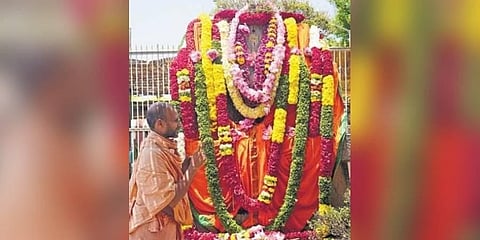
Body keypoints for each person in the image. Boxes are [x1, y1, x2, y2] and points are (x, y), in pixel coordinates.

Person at [129, 102, 205, 240]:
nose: (180, 124)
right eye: (176, 120)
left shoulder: (161, 148)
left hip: (163, 229)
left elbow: (168, 184)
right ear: (160, 124)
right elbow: (167, 202)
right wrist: (192, 169)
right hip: (152, 230)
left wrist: (184, 168)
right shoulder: (152, 153)